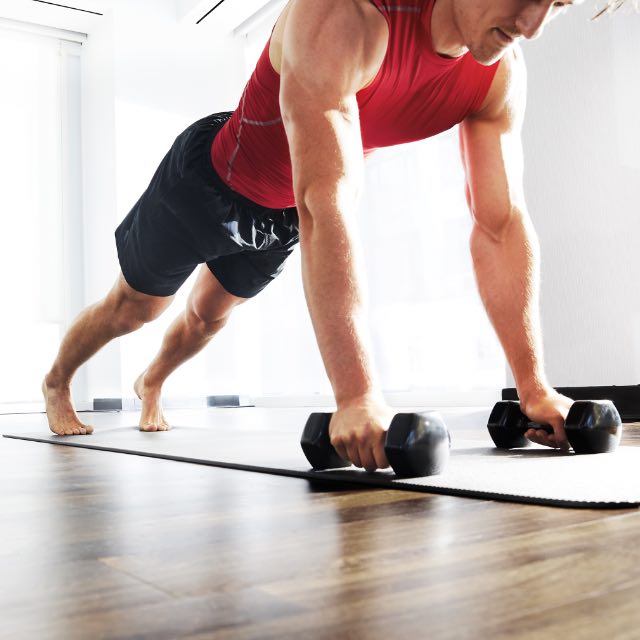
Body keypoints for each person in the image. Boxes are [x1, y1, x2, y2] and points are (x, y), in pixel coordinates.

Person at [42, 0, 623, 471]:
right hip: (208, 186)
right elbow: (330, 201)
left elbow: (500, 225)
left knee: (207, 317)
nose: (534, 25)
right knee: (134, 310)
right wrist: (356, 395)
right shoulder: (344, 16)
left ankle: (152, 381)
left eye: (560, 4)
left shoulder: (497, 75)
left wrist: (534, 386)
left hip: (284, 213)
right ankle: (57, 381)